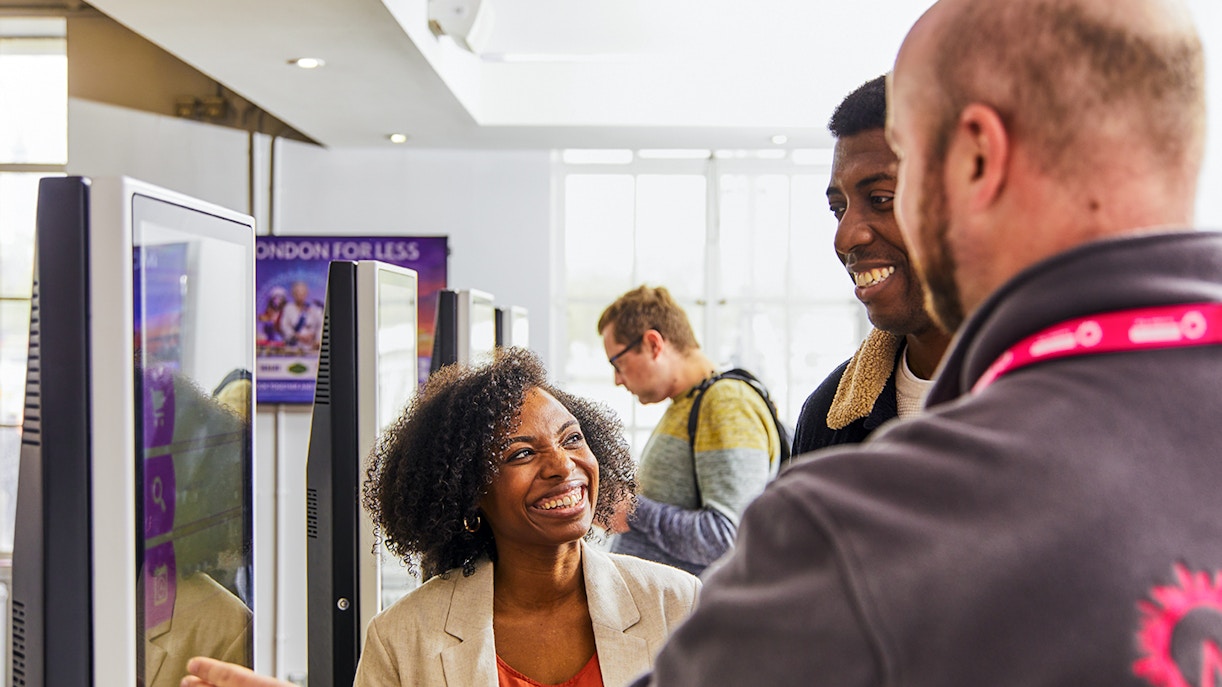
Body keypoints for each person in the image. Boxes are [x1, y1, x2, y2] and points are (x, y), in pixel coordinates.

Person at [632, 0, 1218, 684]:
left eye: (900, 176)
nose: (848, 234)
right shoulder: (836, 432)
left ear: (976, 157)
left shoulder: (851, 530)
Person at [184, 348, 700, 687]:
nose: (563, 466)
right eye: (521, 454)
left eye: (571, 439)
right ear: (467, 492)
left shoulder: (679, 606)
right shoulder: (404, 637)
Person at [791, 75, 951, 453]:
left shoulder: (1065, 401)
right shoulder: (827, 419)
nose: (845, 239)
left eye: (880, 199)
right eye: (838, 209)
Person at [598, 286, 783, 576]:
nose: (617, 380)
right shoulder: (690, 401)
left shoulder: (726, 403)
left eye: (618, 363)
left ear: (653, 344)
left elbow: (728, 539)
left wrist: (630, 509)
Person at [278, 281, 323, 349]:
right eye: (297, 292)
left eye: (303, 292)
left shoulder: (313, 309)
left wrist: (316, 338)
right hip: (293, 346)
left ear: (306, 293)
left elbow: (321, 325)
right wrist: (296, 335)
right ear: (293, 294)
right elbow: (284, 326)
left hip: (310, 346)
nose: (300, 295)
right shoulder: (288, 308)